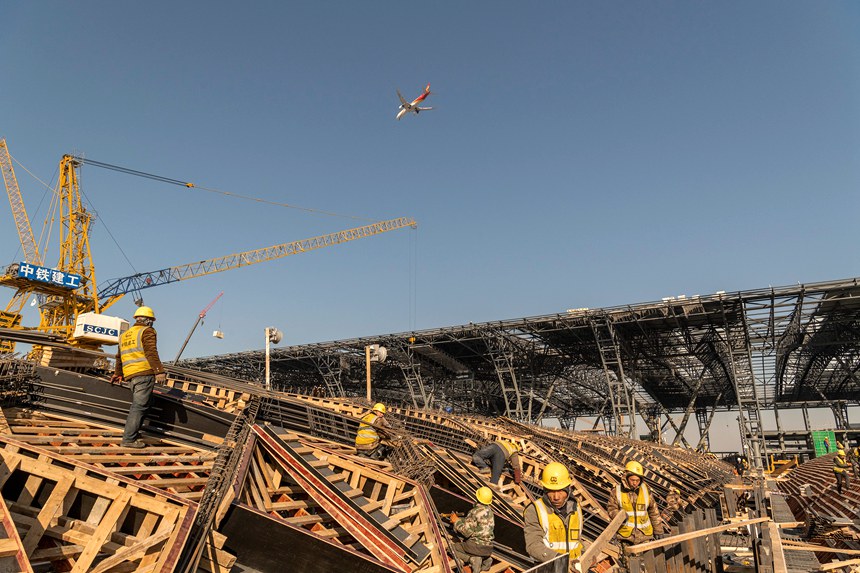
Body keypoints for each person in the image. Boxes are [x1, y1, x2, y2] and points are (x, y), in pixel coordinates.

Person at [111, 306, 166, 448]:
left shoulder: (125, 335)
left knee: (146, 404)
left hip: (131, 375)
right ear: (148, 320)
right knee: (139, 406)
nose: (152, 323)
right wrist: (159, 371)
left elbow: (119, 357)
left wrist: (118, 373)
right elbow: (151, 352)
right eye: (151, 320)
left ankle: (133, 433)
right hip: (143, 374)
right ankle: (128, 439)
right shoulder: (147, 331)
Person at [523, 462, 585, 571]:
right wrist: (561, 561)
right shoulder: (535, 510)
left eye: (560, 491)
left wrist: (585, 553)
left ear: (568, 489)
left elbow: (576, 539)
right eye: (551, 491)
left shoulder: (577, 508)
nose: (556, 497)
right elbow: (533, 545)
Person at [607, 461, 664, 572]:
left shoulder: (645, 491)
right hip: (626, 538)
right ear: (626, 478)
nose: (635, 483)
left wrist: (658, 531)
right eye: (633, 480)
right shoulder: (616, 492)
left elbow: (654, 512)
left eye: (638, 480)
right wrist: (620, 516)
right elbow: (611, 509)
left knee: (646, 568)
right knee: (630, 567)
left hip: (644, 537)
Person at [449, 487, 495, 572]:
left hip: (475, 547)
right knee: (479, 553)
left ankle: (472, 559)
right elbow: (477, 525)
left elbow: (467, 532)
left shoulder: (474, 512)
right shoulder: (490, 512)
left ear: (477, 497)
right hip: (488, 548)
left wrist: (456, 521)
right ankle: (486, 560)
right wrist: (460, 520)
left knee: (450, 548)